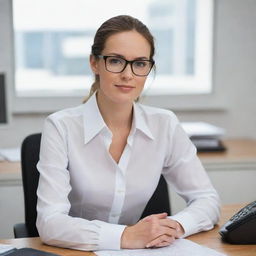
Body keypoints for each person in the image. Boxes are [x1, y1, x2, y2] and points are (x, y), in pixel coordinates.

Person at [36, 15, 220, 251]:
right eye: (115, 61)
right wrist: (125, 236)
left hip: (144, 249)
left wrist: (173, 226)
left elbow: (207, 198)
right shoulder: (61, 127)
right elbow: (50, 223)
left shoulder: (164, 124)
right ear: (94, 63)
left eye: (140, 63)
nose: (128, 74)